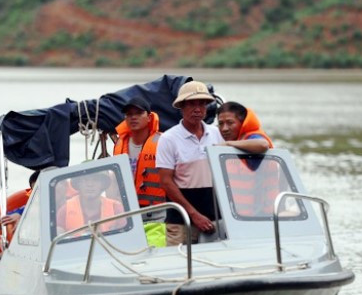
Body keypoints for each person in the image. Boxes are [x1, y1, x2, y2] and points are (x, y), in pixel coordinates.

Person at [156, 80, 224, 246]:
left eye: (202, 104)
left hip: (214, 216)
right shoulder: (168, 139)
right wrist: (193, 214)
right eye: (191, 104)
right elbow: (166, 181)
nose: (197, 109)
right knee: (177, 265)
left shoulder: (216, 134)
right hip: (180, 220)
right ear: (181, 107)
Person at [113, 96, 166, 247]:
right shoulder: (119, 144)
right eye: (129, 114)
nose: (133, 117)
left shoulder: (163, 143)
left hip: (156, 214)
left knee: (155, 254)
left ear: (149, 117)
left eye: (138, 113)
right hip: (126, 212)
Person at [216, 101, 278, 217]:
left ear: (242, 122)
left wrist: (229, 144)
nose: (224, 128)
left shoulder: (253, 136)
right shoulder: (239, 140)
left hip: (262, 215)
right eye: (220, 123)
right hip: (240, 215)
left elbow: (263, 145)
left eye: (230, 123)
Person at [0, 170, 40, 255]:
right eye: (35, 191)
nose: (39, 194)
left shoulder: (62, 205)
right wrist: (21, 217)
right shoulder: (27, 209)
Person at [56, 171, 126, 235]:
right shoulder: (65, 210)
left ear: (103, 184)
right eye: (84, 180)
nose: (90, 184)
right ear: (78, 184)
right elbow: (57, 243)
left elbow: (125, 237)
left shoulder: (116, 208)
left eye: (95, 180)